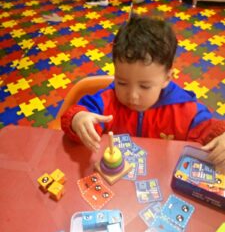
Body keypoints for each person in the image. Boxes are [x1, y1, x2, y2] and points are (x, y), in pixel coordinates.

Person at [61, 14, 225, 172]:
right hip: (118, 180)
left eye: (145, 86)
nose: (132, 96)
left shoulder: (186, 110)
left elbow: (211, 133)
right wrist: (78, 119)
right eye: (122, 82)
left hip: (162, 176)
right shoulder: (107, 100)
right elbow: (78, 113)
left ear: (167, 78)